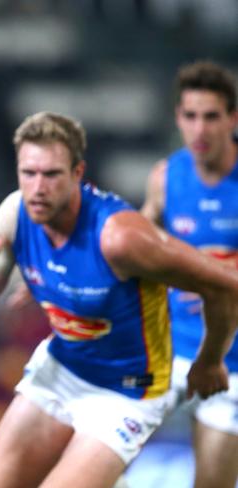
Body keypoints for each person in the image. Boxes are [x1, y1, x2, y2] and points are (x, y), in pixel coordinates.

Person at [0, 111, 238, 488]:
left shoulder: (121, 237)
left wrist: (210, 362)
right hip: (61, 372)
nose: (38, 187)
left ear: (78, 174)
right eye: (28, 173)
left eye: (51, 174)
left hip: (127, 393)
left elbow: (224, 286)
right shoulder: (15, 215)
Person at [141, 60, 238, 488]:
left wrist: (219, 283)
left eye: (212, 116)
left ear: (233, 119)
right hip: (167, 352)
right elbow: (136, 246)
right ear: (179, 118)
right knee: (93, 458)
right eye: (191, 116)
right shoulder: (165, 177)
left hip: (231, 364)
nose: (201, 128)